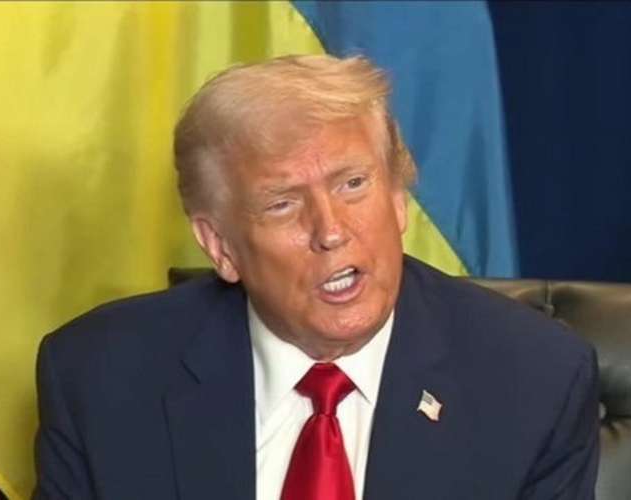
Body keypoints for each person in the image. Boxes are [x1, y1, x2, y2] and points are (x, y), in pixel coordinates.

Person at [33, 54, 599, 500]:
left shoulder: (534, 380)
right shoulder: (99, 377)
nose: (330, 231)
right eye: (282, 204)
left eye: (353, 184)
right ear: (220, 246)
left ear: (397, 199)